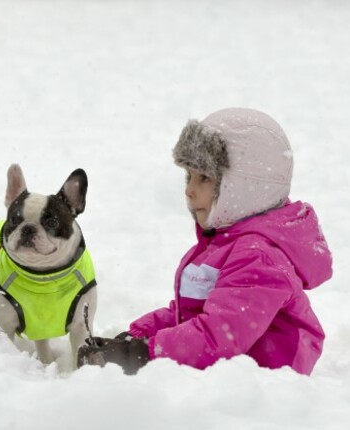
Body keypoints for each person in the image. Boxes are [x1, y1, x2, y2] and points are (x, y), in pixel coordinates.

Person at [77, 107, 333, 376]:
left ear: (244, 188)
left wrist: (142, 353)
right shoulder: (222, 245)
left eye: (204, 178)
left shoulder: (257, 256)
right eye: (188, 176)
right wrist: (134, 337)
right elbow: (188, 315)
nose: (189, 190)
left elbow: (218, 336)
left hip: (269, 382)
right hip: (226, 374)